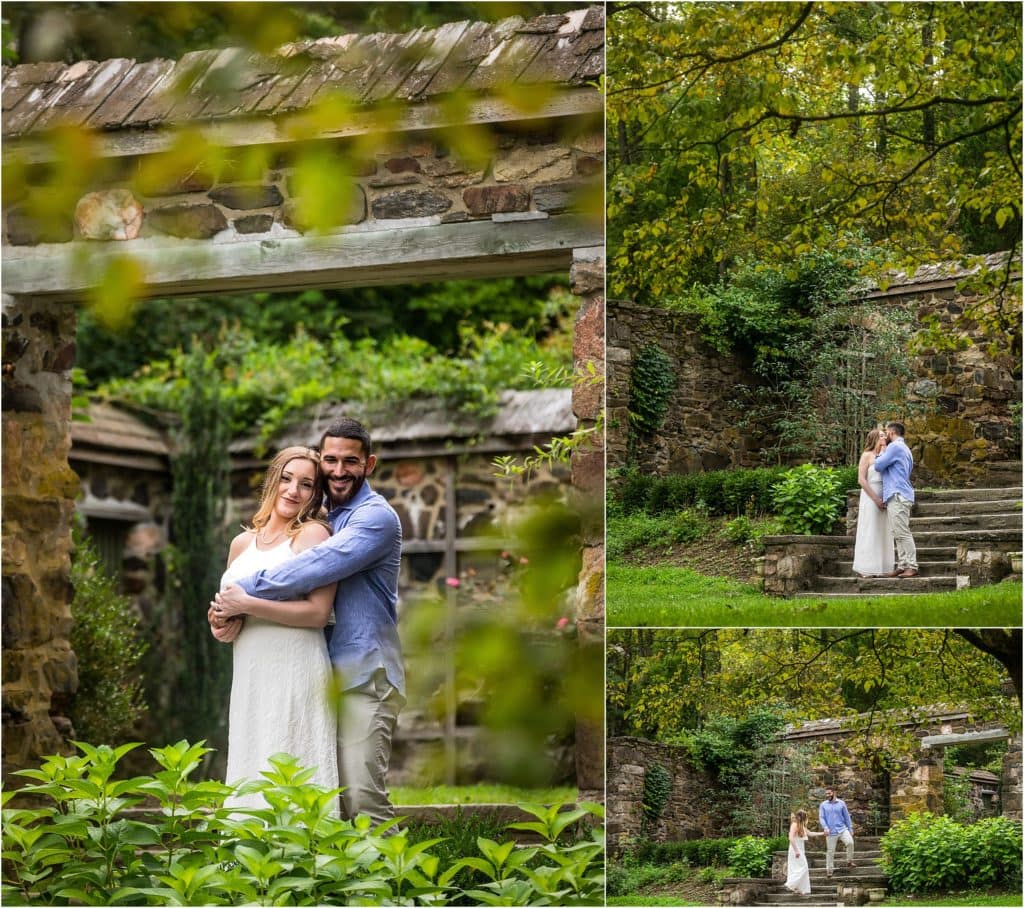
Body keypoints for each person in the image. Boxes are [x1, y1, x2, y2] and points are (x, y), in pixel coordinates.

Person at [211, 418, 404, 827]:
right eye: (330, 460)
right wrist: (222, 615)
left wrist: (240, 597)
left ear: (369, 464)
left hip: (363, 675)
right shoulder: (326, 515)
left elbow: (310, 571)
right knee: (310, 784)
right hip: (314, 673)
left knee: (360, 798)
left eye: (349, 461)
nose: (338, 470)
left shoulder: (373, 519)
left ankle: (394, 887)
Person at [213, 445, 339, 810]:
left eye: (305, 484)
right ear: (272, 481)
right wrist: (222, 622)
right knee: (253, 754)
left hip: (295, 666)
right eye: (286, 479)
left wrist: (248, 604)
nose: (292, 490)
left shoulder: (313, 536)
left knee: (292, 755)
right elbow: (231, 610)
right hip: (252, 670)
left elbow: (318, 613)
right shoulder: (241, 544)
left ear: (315, 494)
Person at [873, 421, 918, 578]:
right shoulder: (906, 449)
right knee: (897, 532)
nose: (885, 436)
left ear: (891, 433)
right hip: (900, 493)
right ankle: (902, 564)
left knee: (902, 532)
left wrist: (882, 449)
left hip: (898, 494)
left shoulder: (894, 447)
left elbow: (878, 465)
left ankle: (912, 565)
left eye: (886, 432)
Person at [852, 428, 895, 577]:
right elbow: (861, 480)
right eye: (882, 436)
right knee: (871, 530)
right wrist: (876, 499)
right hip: (871, 495)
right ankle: (868, 568)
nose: (885, 437)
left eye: (885, 435)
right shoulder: (866, 455)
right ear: (875, 438)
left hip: (885, 494)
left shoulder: (885, 455)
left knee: (883, 530)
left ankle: (884, 567)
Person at [784, 809, 824, 895]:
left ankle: (797, 888)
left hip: (800, 849)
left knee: (798, 868)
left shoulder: (801, 826)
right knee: (803, 867)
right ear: (801, 817)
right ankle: (790, 884)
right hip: (795, 850)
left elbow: (810, 833)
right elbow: (791, 838)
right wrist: (796, 851)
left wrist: (823, 833)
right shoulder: (794, 825)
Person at [819, 787, 855, 878]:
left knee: (850, 842)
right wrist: (825, 827)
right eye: (826, 794)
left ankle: (849, 861)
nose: (827, 795)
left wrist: (850, 829)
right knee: (830, 851)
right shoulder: (823, 805)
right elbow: (821, 817)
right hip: (830, 831)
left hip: (842, 829)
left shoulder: (841, 803)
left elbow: (847, 817)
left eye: (829, 793)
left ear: (834, 793)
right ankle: (829, 870)